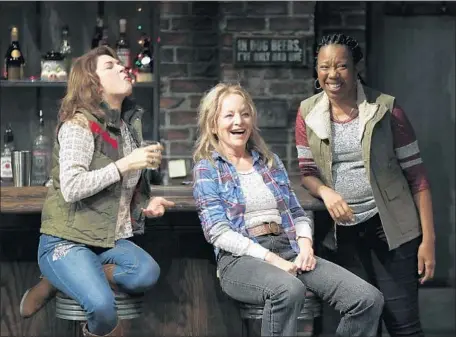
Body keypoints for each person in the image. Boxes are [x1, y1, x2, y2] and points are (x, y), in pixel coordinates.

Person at [192, 83, 384, 337]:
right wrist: (271, 259)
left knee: (367, 298)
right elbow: (217, 232)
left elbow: (296, 213)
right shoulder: (207, 168)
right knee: (288, 288)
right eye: (229, 115)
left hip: (289, 247)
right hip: (240, 260)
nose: (239, 121)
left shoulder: (269, 162)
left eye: (245, 113)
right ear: (213, 124)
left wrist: (305, 245)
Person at [19, 46, 175, 337]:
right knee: (103, 308)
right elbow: (73, 186)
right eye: (110, 66)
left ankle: (65, 278)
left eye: (120, 63)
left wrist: (146, 203)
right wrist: (127, 163)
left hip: (106, 240)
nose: (121, 68)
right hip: (66, 239)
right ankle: (63, 274)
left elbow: (118, 189)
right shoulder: (79, 124)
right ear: (93, 83)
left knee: (147, 273)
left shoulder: (125, 129)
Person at [295, 33, 436, 337]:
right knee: (358, 322)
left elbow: (418, 178)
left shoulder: (386, 110)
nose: (332, 74)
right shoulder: (307, 113)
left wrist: (429, 242)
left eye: (342, 66)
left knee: (404, 326)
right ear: (317, 71)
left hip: (392, 232)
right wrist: (326, 191)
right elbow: (306, 171)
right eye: (324, 67)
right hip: (340, 236)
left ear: (356, 67)